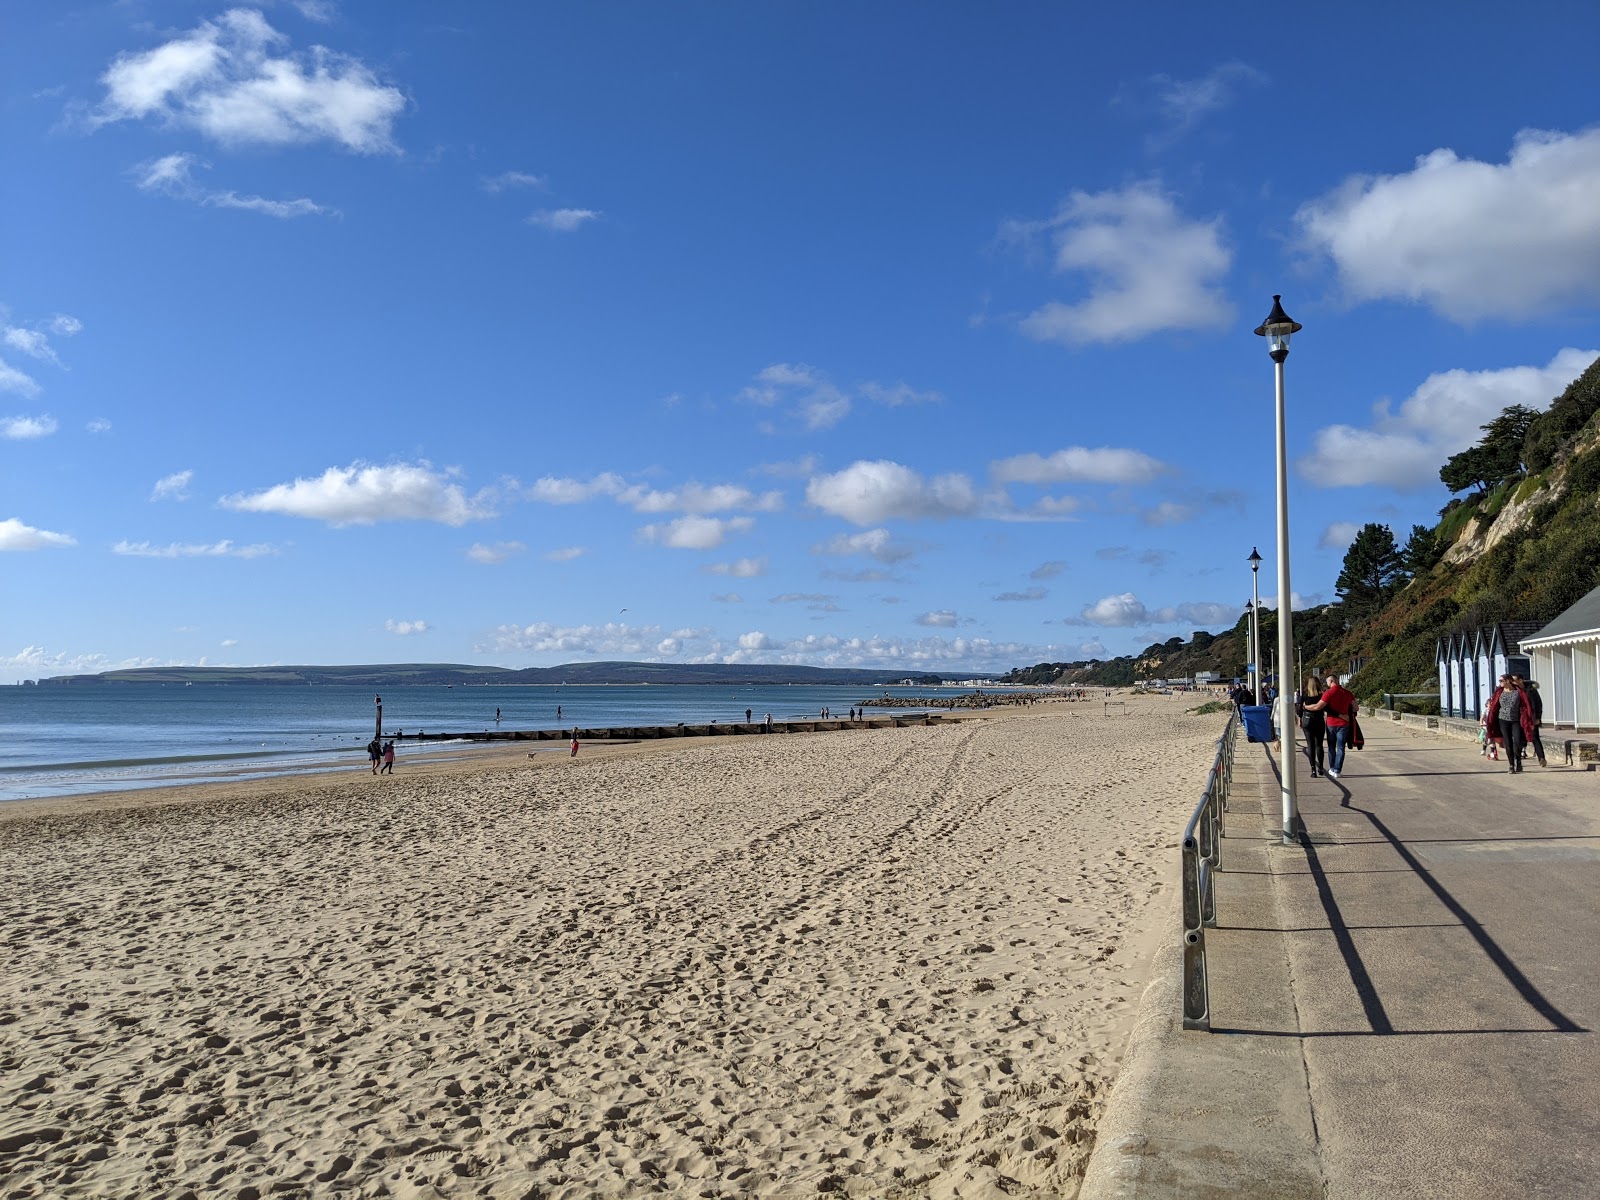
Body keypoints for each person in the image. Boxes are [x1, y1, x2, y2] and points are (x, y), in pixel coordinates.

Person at [1306, 674, 1356, 781]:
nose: (1326, 684)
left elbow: (1317, 707)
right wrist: (1346, 713)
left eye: (1327, 681)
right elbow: (1356, 707)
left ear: (1332, 681)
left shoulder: (1328, 693)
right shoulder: (1348, 693)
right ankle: (1337, 770)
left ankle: (1332, 768)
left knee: (1331, 747)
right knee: (1341, 748)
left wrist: (1305, 707)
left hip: (1331, 724)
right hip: (1344, 724)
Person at [1485, 675, 1535, 774]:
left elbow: (1526, 706)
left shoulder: (1518, 692)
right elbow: (1494, 705)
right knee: (1508, 743)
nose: (1500, 683)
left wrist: (1529, 721)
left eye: (1501, 680)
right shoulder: (1499, 692)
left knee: (1517, 741)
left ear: (1508, 681)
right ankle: (1511, 765)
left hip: (1516, 720)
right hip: (1503, 720)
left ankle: (1518, 761)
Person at [1295, 673, 1326, 778]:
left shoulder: (1304, 694)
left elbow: (1299, 708)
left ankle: (1313, 769)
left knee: (1310, 745)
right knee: (1319, 745)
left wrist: (1299, 719)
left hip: (1307, 719)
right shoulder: (1322, 694)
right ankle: (1321, 767)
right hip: (1319, 719)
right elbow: (1325, 707)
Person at [1523, 678, 1548, 767]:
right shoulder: (1515, 690)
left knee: (1535, 738)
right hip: (1520, 719)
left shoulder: (1531, 691)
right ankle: (1516, 760)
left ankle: (1541, 758)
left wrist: (1537, 718)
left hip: (1531, 718)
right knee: (1518, 739)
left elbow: (1538, 705)